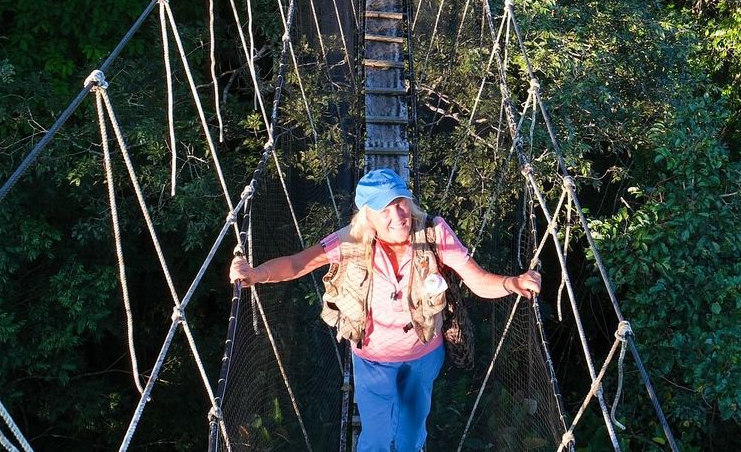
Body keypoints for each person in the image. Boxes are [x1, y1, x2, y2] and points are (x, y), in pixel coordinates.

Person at [229, 167, 541, 452]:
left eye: (401, 202)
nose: (398, 215)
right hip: (373, 361)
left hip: (423, 355)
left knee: (411, 434)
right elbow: (299, 263)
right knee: (376, 439)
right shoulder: (351, 241)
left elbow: (477, 279)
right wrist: (255, 275)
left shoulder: (433, 233)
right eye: (384, 209)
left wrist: (512, 283)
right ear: (368, 216)